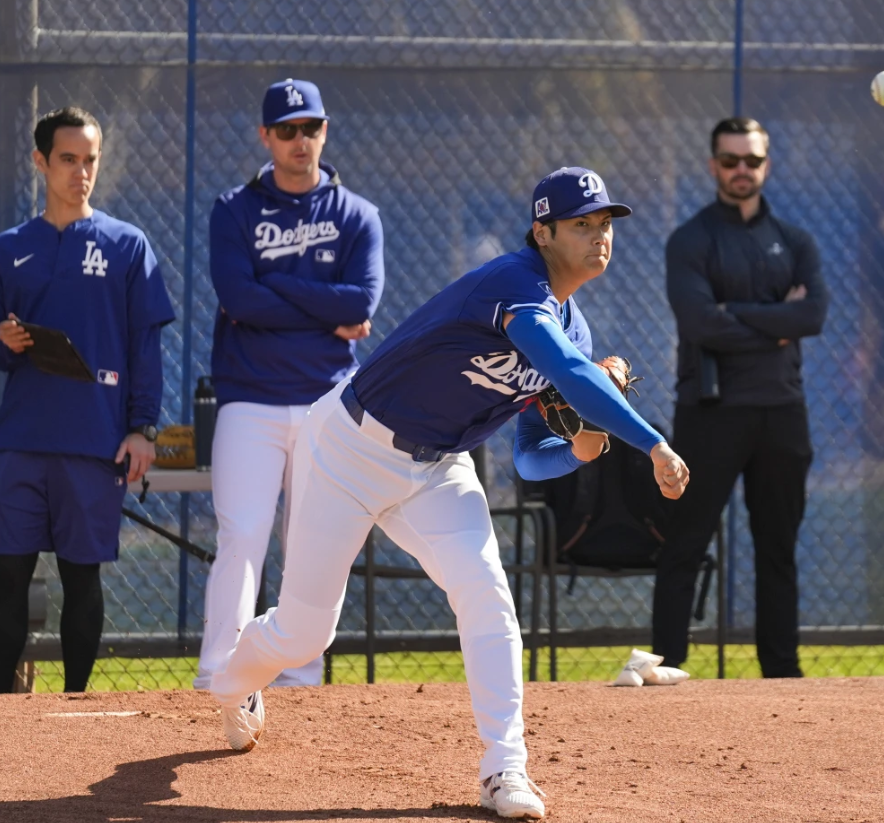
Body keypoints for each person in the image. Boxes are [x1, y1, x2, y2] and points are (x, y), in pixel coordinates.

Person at [210, 166, 689, 819]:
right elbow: (570, 372)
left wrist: (585, 436)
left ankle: (504, 770)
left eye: (604, 223)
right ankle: (234, 680)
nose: (598, 234)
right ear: (541, 231)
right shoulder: (511, 282)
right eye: (581, 223)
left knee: (486, 590)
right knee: (304, 635)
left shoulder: (573, 331)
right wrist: (650, 441)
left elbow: (534, 456)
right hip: (348, 446)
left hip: (437, 467)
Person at [0, 106, 176, 693]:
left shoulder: (127, 245)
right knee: (8, 576)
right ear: (40, 163)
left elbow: (145, 345)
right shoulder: (7, 248)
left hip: (95, 444)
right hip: (21, 442)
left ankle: (75, 709)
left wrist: (143, 429)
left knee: (83, 581)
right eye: (67, 159)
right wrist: (4, 342)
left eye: (90, 160)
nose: (80, 172)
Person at [193, 78, 384, 691]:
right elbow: (237, 298)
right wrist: (327, 312)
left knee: (310, 544)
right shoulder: (235, 209)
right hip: (249, 398)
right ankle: (220, 669)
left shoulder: (358, 215)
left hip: (329, 400)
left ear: (325, 131)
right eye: (287, 130)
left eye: (312, 128)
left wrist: (274, 286)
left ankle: (299, 676)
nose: (301, 140)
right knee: (242, 534)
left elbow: (363, 299)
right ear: (266, 137)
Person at [652, 117, 828, 679]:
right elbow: (699, 323)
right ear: (713, 167)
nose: (741, 171)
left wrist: (740, 316)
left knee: (777, 549)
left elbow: (813, 314)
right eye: (730, 161)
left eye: (751, 161)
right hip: (710, 413)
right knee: (685, 542)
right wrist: (776, 325)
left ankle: (782, 673)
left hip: (781, 411)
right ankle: (667, 663)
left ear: (766, 165)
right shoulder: (691, 240)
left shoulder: (796, 241)